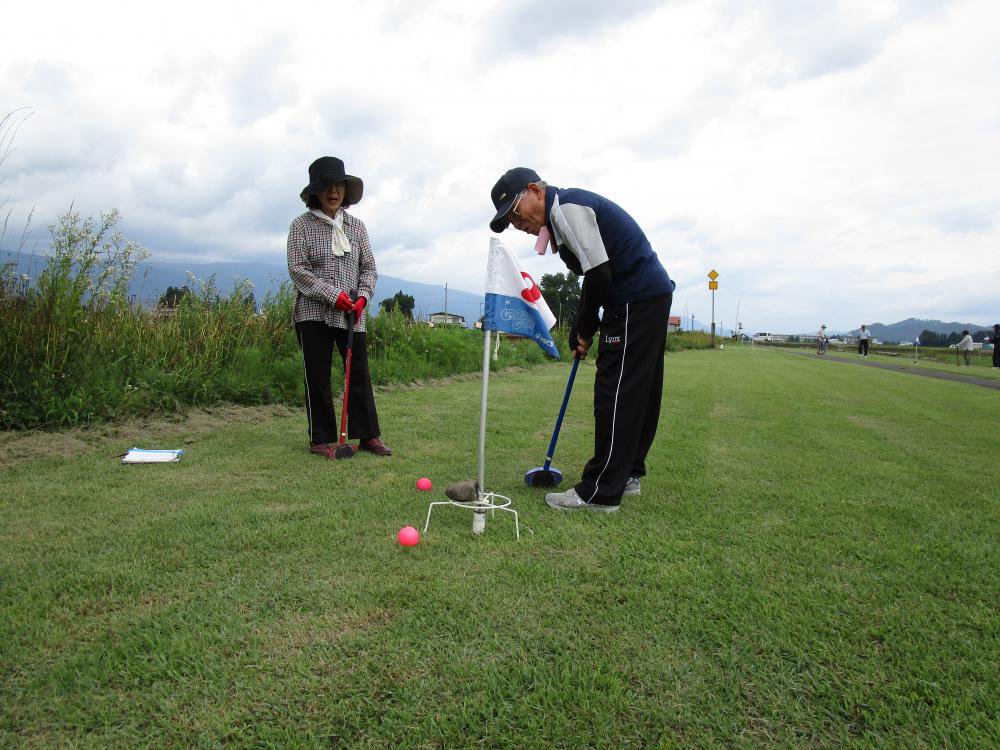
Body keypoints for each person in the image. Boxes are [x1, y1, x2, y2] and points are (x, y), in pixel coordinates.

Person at [489, 167, 675, 513]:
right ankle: (627, 474)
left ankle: (601, 490)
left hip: (635, 295)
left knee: (615, 390)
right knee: (640, 389)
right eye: (509, 220)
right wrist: (583, 325)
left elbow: (600, 274)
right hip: (648, 294)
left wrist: (584, 327)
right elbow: (596, 276)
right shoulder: (562, 216)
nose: (516, 223)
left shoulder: (565, 208)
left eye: (515, 212)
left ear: (536, 191)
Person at [286, 156, 392, 458]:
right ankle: (320, 438)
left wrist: (363, 296)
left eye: (339, 186)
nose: (334, 192)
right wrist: (333, 295)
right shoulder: (301, 226)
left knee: (358, 372)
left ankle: (368, 436)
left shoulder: (357, 227)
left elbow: (369, 267)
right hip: (312, 313)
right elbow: (298, 269)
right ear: (315, 192)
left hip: (352, 313)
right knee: (316, 375)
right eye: (327, 187)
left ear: (346, 190)